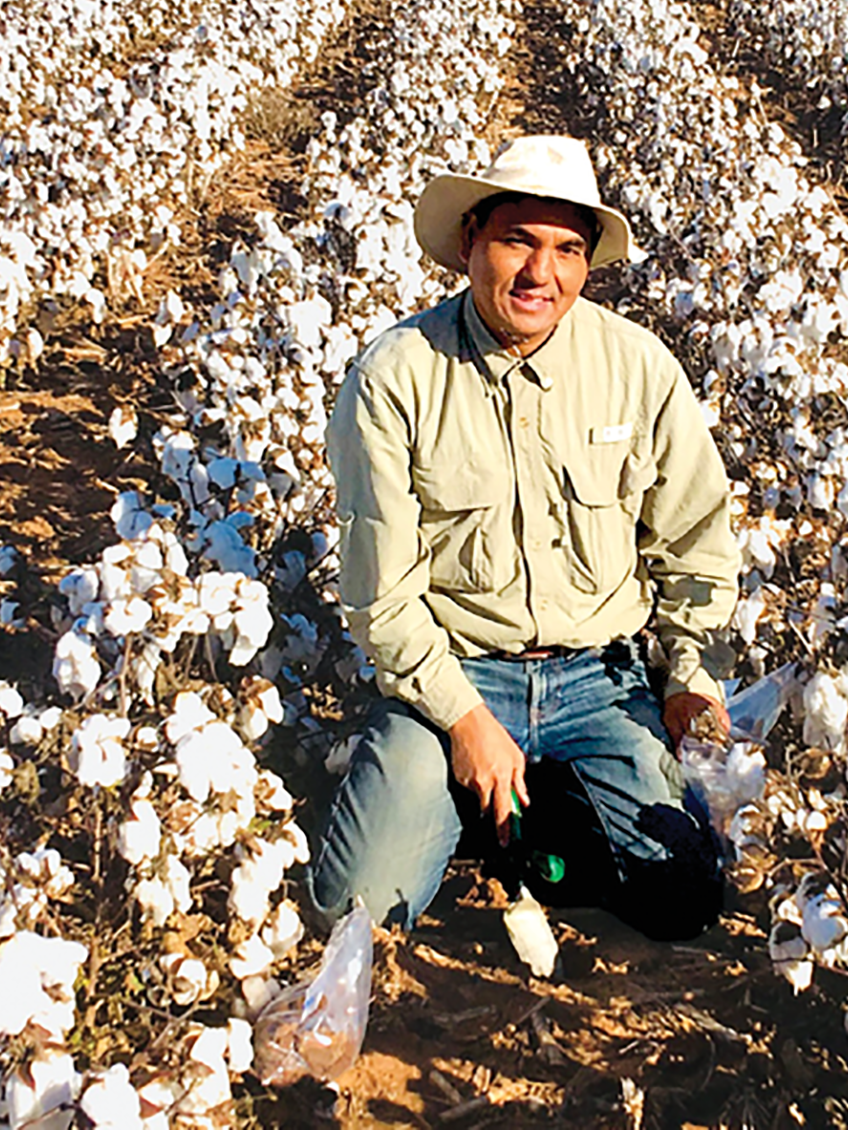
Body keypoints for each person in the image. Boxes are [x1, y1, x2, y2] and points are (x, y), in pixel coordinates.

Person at [309, 135, 741, 941]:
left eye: (568, 250)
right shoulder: (396, 375)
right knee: (360, 905)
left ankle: (522, 807)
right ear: (471, 239)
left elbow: (695, 540)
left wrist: (688, 674)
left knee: (683, 898)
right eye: (518, 241)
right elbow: (382, 594)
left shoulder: (638, 367)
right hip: (454, 673)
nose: (542, 274)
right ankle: (460, 780)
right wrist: (466, 719)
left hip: (597, 678)